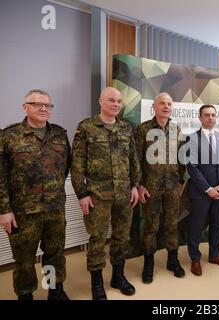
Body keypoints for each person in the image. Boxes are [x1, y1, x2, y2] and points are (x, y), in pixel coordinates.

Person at [0, 89, 71, 300]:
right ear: (25, 107)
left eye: (47, 105)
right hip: (23, 212)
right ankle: (26, 295)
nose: (43, 109)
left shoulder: (60, 134)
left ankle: (54, 290)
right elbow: (0, 177)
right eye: (37, 104)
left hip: (55, 209)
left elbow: (65, 167)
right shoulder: (8, 136)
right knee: (24, 259)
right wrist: (4, 210)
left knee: (55, 254)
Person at [71, 87, 140, 300]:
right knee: (97, 239)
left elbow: (133, 160)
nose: (116, 104)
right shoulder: (86, 128)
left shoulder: (126, 128)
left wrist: (135, 186)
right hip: (97, 195)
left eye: (119, 101)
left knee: (121, 237)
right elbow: (77, 164)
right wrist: (82, 194)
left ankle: (118, 277)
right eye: (111, 100)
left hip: (124, 194)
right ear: (101, 101)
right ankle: (97, 283)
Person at [134, 92, 185, 284]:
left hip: (172, 187)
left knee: (172, 225)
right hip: (150, 188)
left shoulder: (176, 129)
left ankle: (173, 260)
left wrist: (181, 181)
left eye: (169, 104)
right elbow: (135, 161)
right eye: (162, 103)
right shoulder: (142, 130)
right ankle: (149, 264)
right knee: (150, 227)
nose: (165, 107)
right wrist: (138, 185)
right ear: (154, 106)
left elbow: (181, 158)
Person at [185, 104, 219, 276]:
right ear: (200, 118)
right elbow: (192, 167)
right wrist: (208, 189)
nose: (210, 118)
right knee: (196, 227)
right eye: (206, 115)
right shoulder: (191, 139)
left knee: (217, 225)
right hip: (201, 193)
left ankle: (215, 255)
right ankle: (195, 258)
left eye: (213, 115)